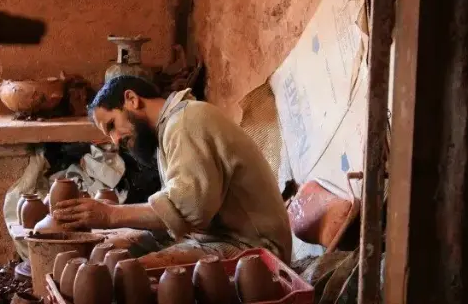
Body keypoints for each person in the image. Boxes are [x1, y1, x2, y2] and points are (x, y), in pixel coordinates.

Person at [53, 75, 292, 267]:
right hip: (214, 238)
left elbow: (189, 211)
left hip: (255, 250)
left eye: (112, 125)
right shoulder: (172, 126)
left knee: (127, 275)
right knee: (109, 250)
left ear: (132, 99)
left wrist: (109, 215)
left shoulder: (186, 122)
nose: (115, 141)